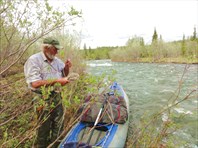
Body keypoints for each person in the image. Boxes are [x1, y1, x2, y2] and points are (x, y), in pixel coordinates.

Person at [24, 37, 72, 148]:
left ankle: (56, 145)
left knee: (59, 124)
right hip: (41, 96)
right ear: (47, 48)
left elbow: (63, 75)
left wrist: (66, 68)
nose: (57, 51)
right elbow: (34, 83)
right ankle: (42, 145)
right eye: (55, 49)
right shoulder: (34, 60)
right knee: (43, 126)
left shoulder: (57, 61)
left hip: (56, 95)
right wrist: (57, 81)